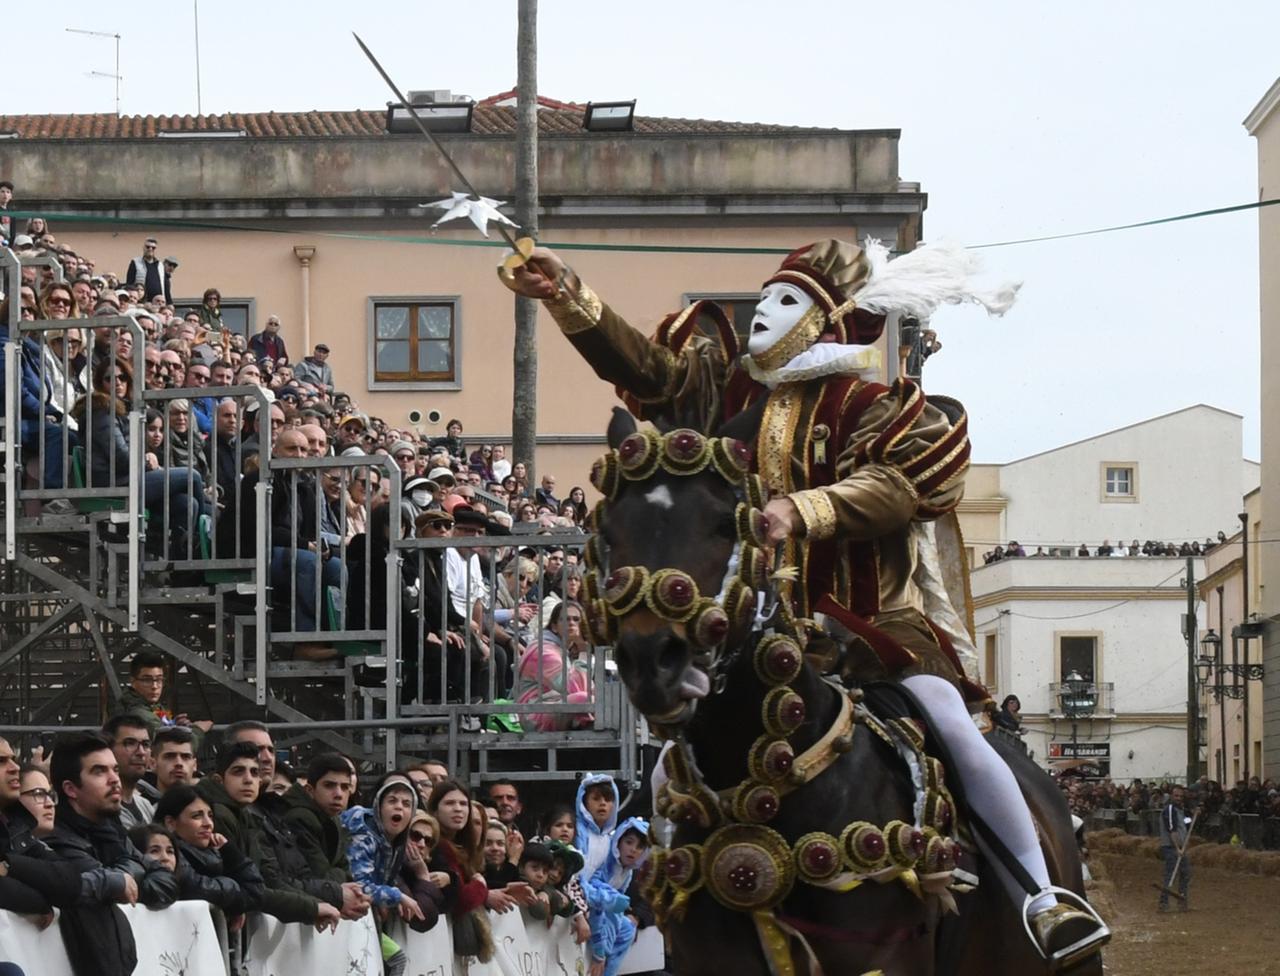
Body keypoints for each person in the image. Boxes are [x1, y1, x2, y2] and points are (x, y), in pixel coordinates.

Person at [501, 239, 1104, 961]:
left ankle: (1042, 899)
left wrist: (803, 510)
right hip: (755, 635)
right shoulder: (726, 398)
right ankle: (667, 905)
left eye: (786, 301)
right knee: (670, 769)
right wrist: (567, 293)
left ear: (829, 323)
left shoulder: (874, 406)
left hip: (869, 637)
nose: (763, 310)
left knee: (960, 735)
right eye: (764, 297)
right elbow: (647, 369)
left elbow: (899, 488)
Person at [46, 733, 179, 976]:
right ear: (70, 789)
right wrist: (125, 879)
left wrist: (125, 883)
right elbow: (100, 883)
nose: (114, 780)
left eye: (115, 770)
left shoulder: (111, 831)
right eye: (99, 771)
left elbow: (167, 879)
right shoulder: (56, 838)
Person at [154, 784, 265, 921]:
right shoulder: (169, 858)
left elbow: (255, 891)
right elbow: (196, 887)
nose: (208, 824)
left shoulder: (215, 857)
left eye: (210, 816)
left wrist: (229, 851)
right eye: (196, 816)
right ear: (170, 823)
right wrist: (233, 890)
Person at [583, 817, 650, 976]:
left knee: (628, 929)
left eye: (640, 847)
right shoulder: (606, 862)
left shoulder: (628, 873)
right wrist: (600, 953)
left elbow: (617, 909)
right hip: (586, 907)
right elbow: (598, 897)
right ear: (618, 840)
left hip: (604, 914)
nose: (633, 850)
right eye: (629, 842)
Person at [101, 715, 160, 829]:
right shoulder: (101, 808)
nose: (141, 752)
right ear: (108, 748)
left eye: (146, 744)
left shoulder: (145, 805)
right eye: (130, 743)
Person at [1158, 785, 1194, 912]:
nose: (1179, 798)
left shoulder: (1181, 810)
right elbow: (1171, 830)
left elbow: (1185, 823)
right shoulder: (1170, 810)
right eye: (1176, 796)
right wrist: (1177, 847)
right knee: (1170, 874)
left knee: (1185, 873)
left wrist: (1194, 815)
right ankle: (1164, 902)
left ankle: (1182, 900)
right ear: (1171, 796)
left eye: (1180, 796)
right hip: (1170, 847)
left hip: (1180, 847)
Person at [152, 726, 198, 795]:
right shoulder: (139, 804)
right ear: (153, 764)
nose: (179, 763)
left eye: (186, 757)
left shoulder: (208, 804)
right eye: (170, 756)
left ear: (194, 765)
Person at [124, 237, 165, 302]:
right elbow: (129, 283)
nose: (150, 249)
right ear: (143, 248)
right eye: (148, 247)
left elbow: (164, 284)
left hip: (158, 302)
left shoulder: (160, 265)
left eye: (153, 248)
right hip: (141, 301)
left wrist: (169, 302)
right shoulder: (135, 262)